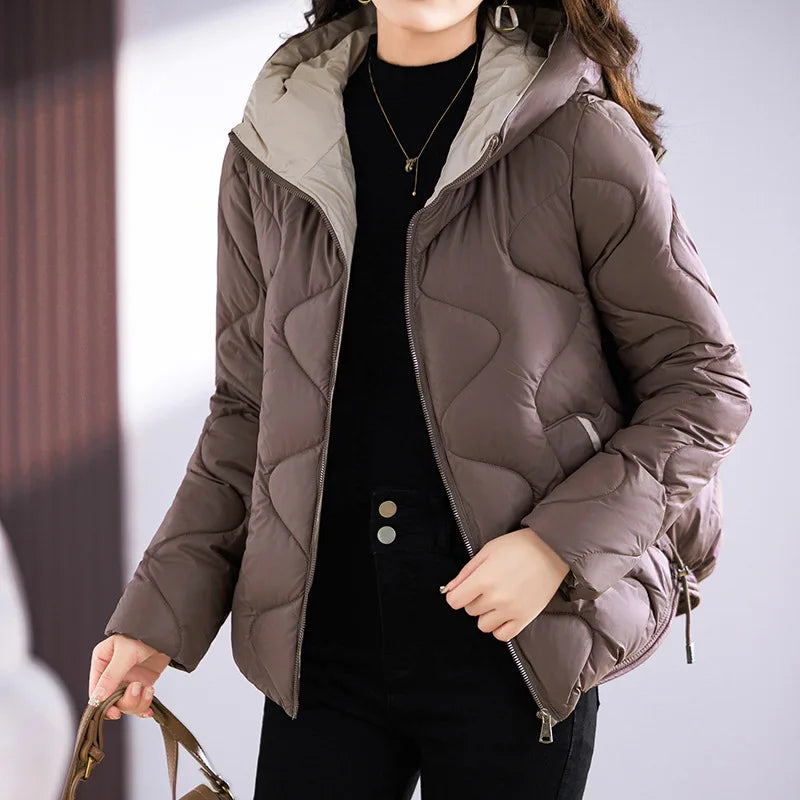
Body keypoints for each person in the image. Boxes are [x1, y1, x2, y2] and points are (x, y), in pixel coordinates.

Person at [88, 1, 753, 798]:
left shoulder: (577, 136)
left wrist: (555, 548)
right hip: (322, 653)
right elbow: (246, 411)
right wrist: (156, 618)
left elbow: (703, 385)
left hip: (511, 653)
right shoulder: (273, 148)